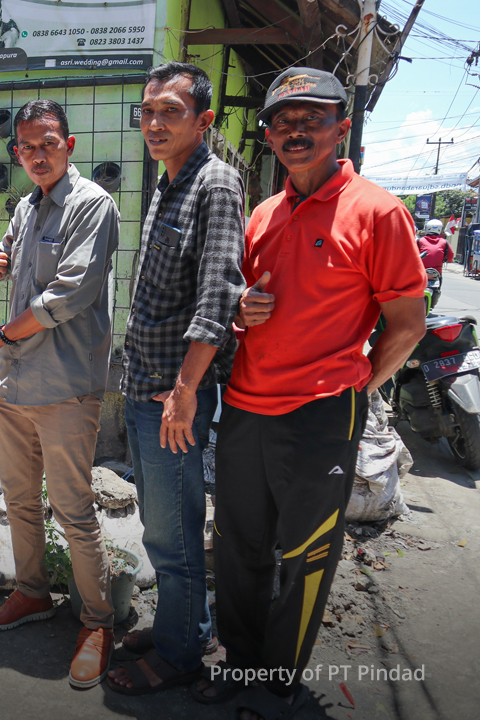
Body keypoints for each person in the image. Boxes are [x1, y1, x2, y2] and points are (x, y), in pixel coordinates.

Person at [199, 68, 426, 719]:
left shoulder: (378, 210)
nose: (295, 131)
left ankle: (276, 684)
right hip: (245, 408)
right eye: (282, 121)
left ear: (341, 126)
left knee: (305, 556)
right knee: (240, 548)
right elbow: (239, 306)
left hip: (321, 416)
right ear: (268, 134)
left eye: (312, 118)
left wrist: (353, 388)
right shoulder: (264, 213)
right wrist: (241, 308)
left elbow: (406, 326)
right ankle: (241, 664)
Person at [0, 99, 121, 689]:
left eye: (47, 143)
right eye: (26, 146)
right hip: (13, 382)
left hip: (64, 388)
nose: (37, 155)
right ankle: (32, 592)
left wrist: (0, 333)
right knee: (19, 498)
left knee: (73, 509)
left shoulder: (92, 205)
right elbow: (12, 268)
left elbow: (67, 296)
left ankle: (97, 622)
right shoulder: (27, 207)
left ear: (70, 144)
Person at [109, 62, 246, 696]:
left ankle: (181, 654)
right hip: (146, 388)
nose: (155, 123)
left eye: (171, 111)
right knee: (161, 524)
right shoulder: (169, 181)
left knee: (174, 530)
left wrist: (186, 394)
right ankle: (182, 627)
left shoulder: (215, 184)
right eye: (148, 112)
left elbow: (216, 297)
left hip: (173, 395)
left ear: (205, 121)